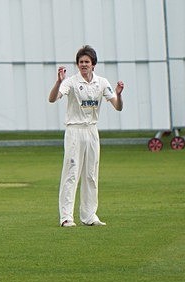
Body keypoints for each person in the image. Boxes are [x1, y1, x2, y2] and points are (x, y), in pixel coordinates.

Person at [47, 45, 124, 227]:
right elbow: (52, 99)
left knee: (91, 174)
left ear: (93, 64)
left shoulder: (102, 82)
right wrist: (58, 82)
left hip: (92, 131)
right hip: (74, 130)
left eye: (87, 62)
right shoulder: (70, 82)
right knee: (71, 174)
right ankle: (66, 217)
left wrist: (119, 95)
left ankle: (89, 215)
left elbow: (118, 106)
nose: (83, 65)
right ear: (77, 64)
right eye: (81, 62)